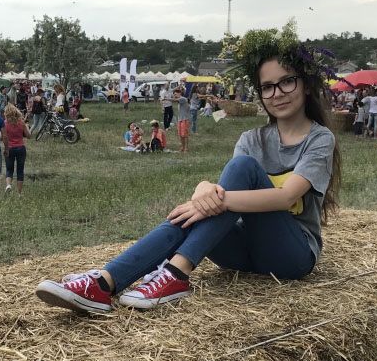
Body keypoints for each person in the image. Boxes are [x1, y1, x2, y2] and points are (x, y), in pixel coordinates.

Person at [35, 22, 341, 314]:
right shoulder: (251, 139)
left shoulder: (319, 139)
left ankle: (176, 274)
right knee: (203, 206)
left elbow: (286, 197)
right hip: (243, 254)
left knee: (236, 174)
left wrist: (212, 200)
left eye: (287, 81)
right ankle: (105, 283)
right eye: (268, 87)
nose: (278, 93)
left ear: (306, 84)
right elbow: (227, 190)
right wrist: (203, 190)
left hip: (290, 256)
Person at [3, 104, 30, 195]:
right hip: (21, 147)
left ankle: (8, 185)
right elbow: (28, 135)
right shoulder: (21, 122)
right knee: (20, 170)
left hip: (9, 148)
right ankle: (19, 193)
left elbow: (0, 137)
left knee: (9, 169)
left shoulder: (5, 123)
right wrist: (26, 126)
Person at [169, 88, 190, 152]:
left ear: (179, 93)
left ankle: (186, 148)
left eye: (175, 94)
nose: (175, 96)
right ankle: (182, 147)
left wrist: (166, 99)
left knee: (185, 135)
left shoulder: (183, 99)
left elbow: (174, 100)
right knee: (181, 135)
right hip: (180, 119)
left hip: (184, 119)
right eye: (174, 95)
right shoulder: (179, 101)